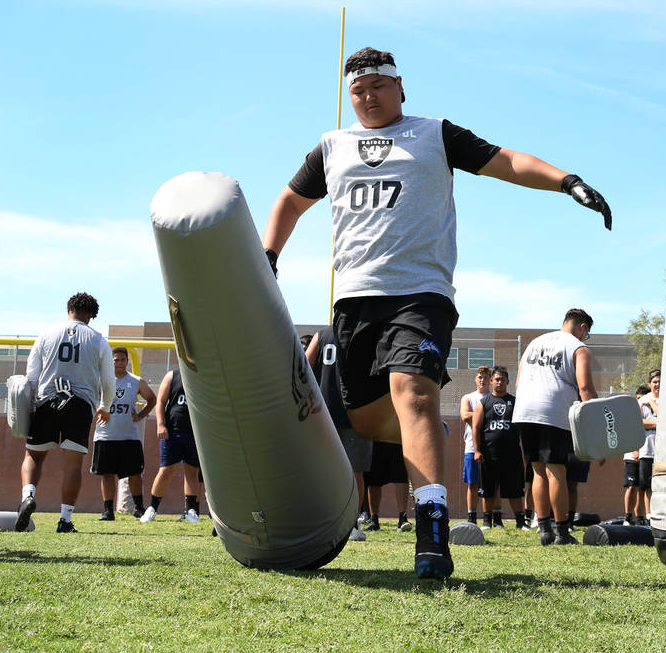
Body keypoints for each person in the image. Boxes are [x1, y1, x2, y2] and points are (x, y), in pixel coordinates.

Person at [262, 47, 611, 578]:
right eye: (358, 89)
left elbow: (506, 161)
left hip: (421, 294)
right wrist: (269, 255)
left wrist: (568, 181)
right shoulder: (331, 147)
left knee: (415, 391)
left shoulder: (433, 133)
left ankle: (431, 536)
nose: (368, 96)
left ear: (400, 87)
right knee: (367, 418)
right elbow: (288, 201)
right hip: (354, 300)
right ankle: (414, 440)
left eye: (378, 85)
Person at [14, 293, 114, 533]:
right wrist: (105, 406)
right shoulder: (99, 340)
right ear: (92, 315)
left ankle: (28, 496)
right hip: (80, 404)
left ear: (69, 309)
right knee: (72, 465)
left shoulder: (46, 334)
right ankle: (65, 519)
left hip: (48, 399)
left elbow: (32, 376)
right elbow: (108, 380)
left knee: (34, 456)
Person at [511, 309, 599, 546]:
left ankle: (544, 530)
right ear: (583, 328)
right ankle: (561, 531)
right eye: (586, 333)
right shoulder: (579, 348)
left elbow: (519, 382)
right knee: (556, 470)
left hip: (524, 411)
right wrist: (598, 426)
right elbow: (586, 389)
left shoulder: (534, 343)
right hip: (553, 410)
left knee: (538, 471)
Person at [306, 327, 371, 540]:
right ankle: (352, 524)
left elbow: (304, 365)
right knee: (355, 471)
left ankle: (322, 520)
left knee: (323, 470)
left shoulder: (322, 335)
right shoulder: (364, 333)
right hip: (356, 411)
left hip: (325, 411)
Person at [89, 347, 155, 522]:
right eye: (116, 360)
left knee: (134, 473)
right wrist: (96, 409)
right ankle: (108, 511)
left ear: (127, 361)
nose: (119, 363)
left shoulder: (136, 381)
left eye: (122, 360)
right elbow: (90, 397)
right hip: (105, 435)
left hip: (129, 436)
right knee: (107, 473)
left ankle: (139, 508)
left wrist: (140, 416)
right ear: (111, 362)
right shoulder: (101, 380)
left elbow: (152, 398)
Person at [141, 368, 203, 523]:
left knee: (192, 471)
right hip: (173, 431)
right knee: (166, 470)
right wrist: (160, 424)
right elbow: (161, 401)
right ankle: (152, 508)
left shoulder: (205, 375)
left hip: (195, 433)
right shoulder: (173, 375)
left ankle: (191, 510)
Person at [472, 366, 529, 530]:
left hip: (512, 455)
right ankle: (487, 521)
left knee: (515, 491)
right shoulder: (483, 403)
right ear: (491, 381)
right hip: (489, 455)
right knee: (488, 491)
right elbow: (476, 428)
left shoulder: (515, 402)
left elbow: (523, 427)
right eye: (496, 379)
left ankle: (520, 521)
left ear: (508, 381)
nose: (499, 382)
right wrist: (477, 450)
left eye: (502, 379)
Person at [459, 366, 491, 524]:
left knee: (491, 483)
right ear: (475, 379)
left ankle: (490, 518)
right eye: (480, 377)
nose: (482, 380)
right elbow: (465, 415)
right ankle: (472, 517)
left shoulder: (494, 397)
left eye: (485, 377)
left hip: (491, 447)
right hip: (472, 447)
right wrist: (486, 414)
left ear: (490, 380)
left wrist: (476, 416)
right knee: (473, 483)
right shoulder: (468, 397)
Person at [363, 441, 413, 532]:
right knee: (373, 480)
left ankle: (403, 519)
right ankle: (374, 521)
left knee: (401, 477)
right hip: (377, 439)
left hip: (397, 439)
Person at [633, 369, 660, 524]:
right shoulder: (641, 400)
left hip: (662, 450)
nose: (657, 385)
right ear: (650, 383)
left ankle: (658, 514)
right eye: (655, 382)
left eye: (660, 382)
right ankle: (646, 516)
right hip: (647, 449)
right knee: (645, 485)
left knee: (660, 484)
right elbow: (639, 423)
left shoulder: (665, 398)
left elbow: (664, 416)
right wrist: (657, 423)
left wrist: (651, 403)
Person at [622, 385, 649, 525]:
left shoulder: (650, 412)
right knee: (632, 486)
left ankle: (640, 518)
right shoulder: (631, 413)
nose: (640, 402)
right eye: (638, 399)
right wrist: (635, 450)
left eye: (642, 399)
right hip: (632, 456)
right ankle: (628, 517)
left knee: (642, 488)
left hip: (647, 455)